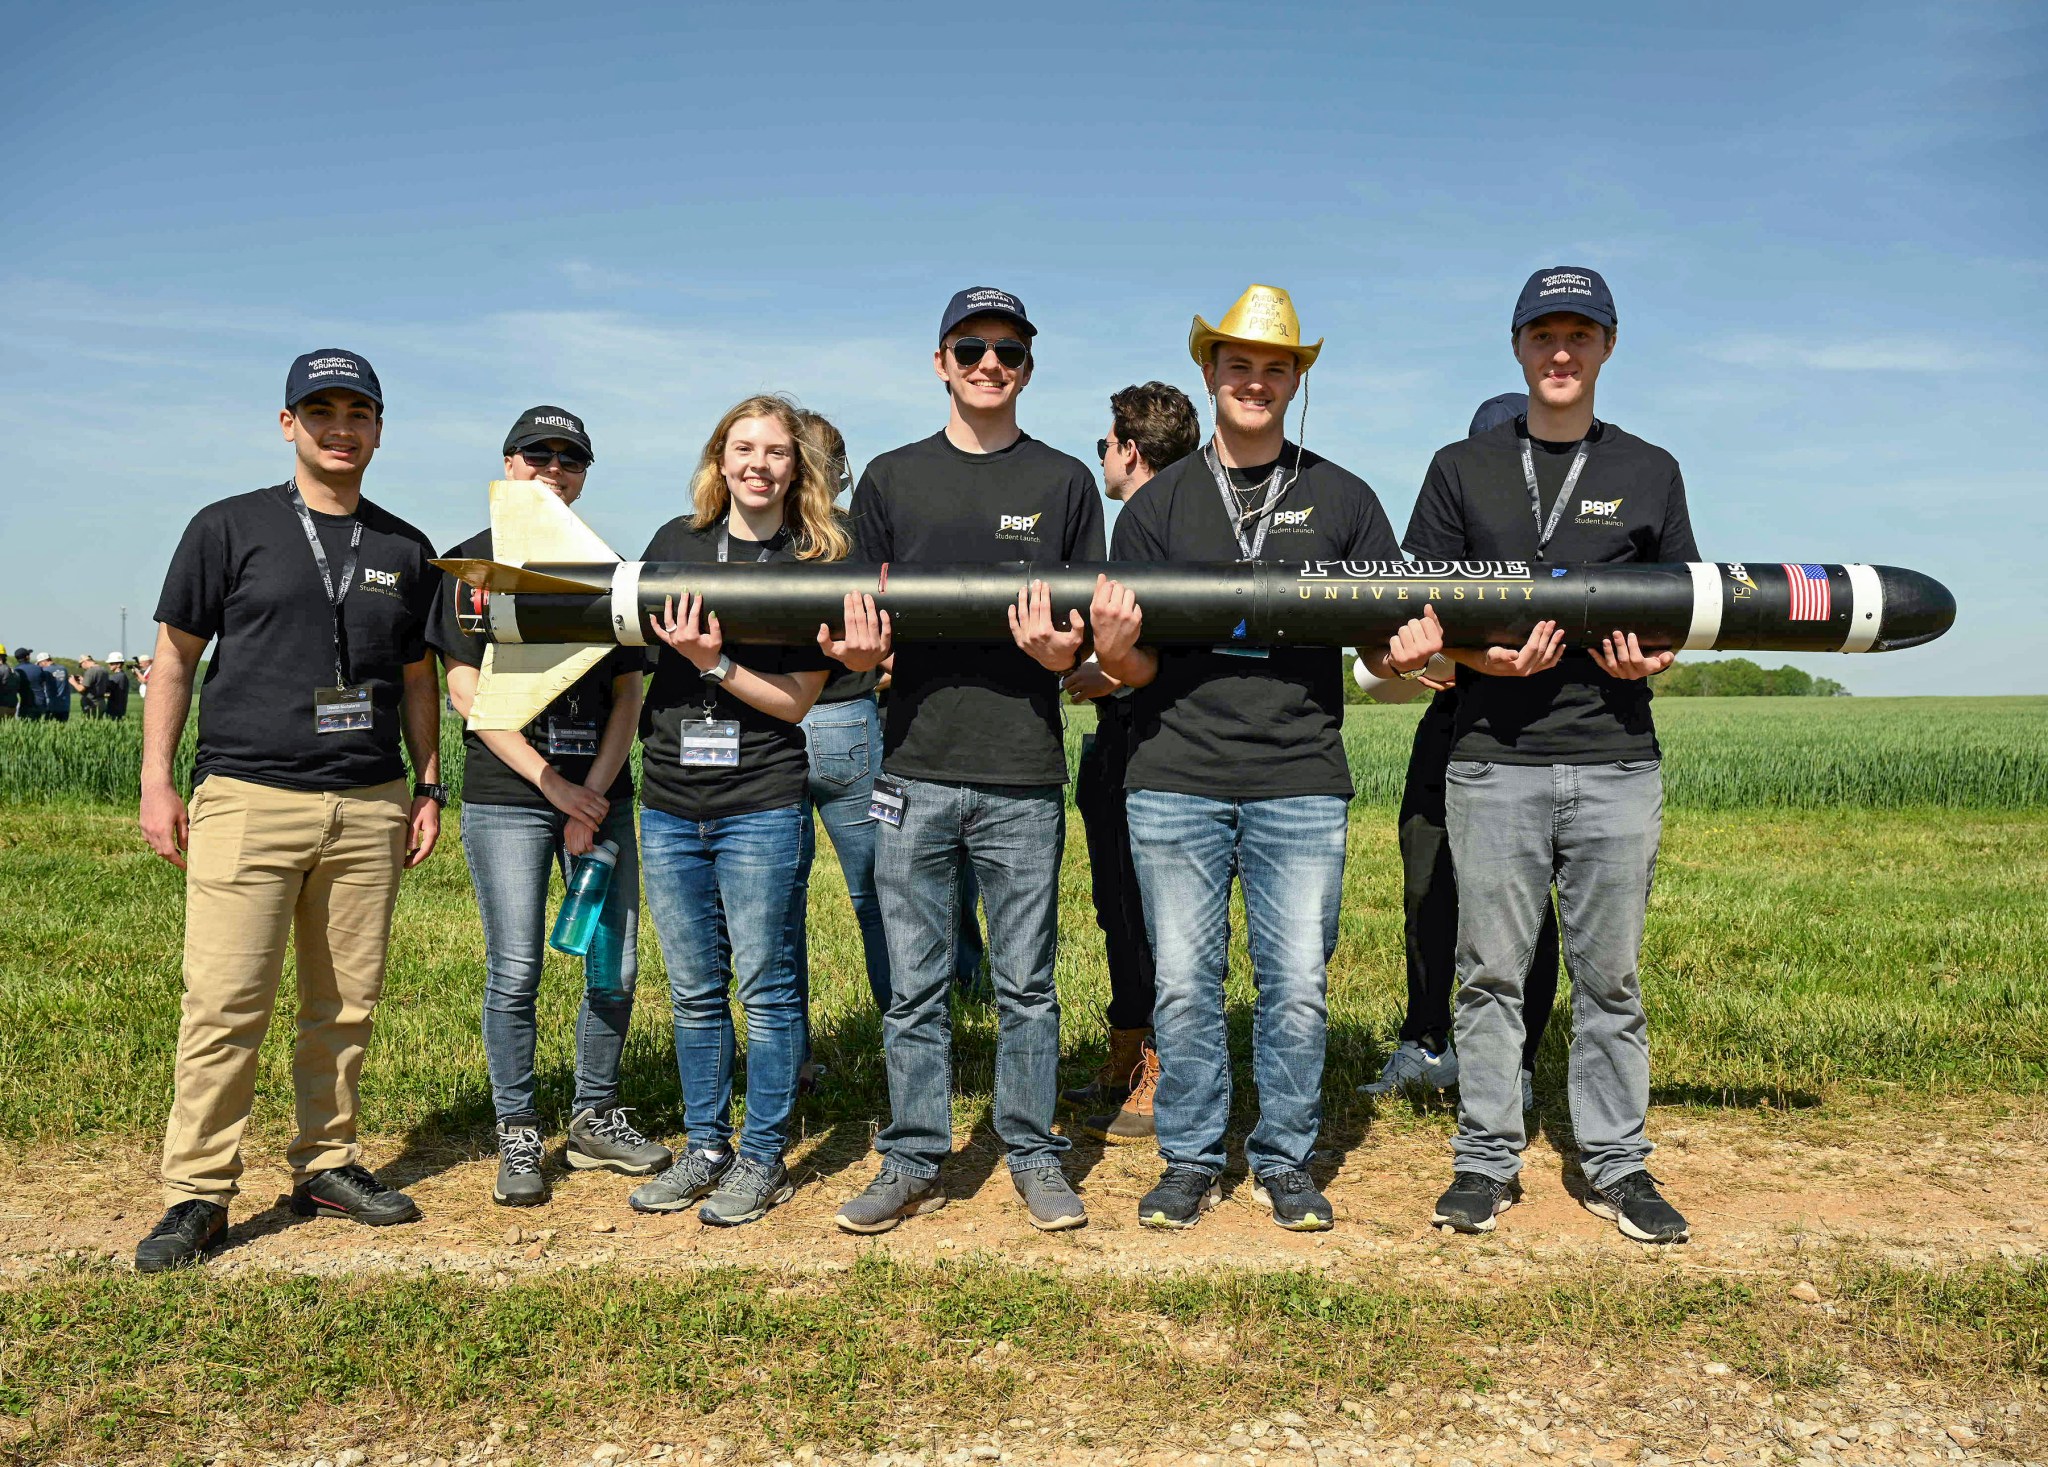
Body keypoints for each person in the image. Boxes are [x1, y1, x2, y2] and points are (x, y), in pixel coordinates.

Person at [1088, 285, 1440, 1233]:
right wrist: (1114, 648)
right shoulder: (1156, 505)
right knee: (1185, 984)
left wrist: (1408, 660)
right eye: (1237, 364)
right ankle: (1191, 1160)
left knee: (1296, 986)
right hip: (1174, 776)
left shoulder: (1345, 497)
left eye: (1274, 367)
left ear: (1297, 380)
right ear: (1209, 375)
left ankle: (1285, 1158)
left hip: (1299, 778)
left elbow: (1381, 649)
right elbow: (1134, 663)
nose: (1254, 380)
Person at [133, 348, 445, 1274]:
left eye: (358, 412)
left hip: (369, 802)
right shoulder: (228, 527)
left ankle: (327, 1161)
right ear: (287, 424)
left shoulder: (405, 548)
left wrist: (428, 783)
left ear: (380, 429)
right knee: (225, 1001)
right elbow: (176, 659)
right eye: (321, 412)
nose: (340, 427)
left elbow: (418, 679)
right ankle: (197, 1190)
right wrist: (158, 778)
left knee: (343, 1003)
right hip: (246, 795)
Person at [1406, 268, 1696, 1245]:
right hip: (1491, 757)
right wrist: (1474, 654)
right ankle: (1484, 1163)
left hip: (1615, 756)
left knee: (1608, 979)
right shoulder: (1460, 468)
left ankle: (1617, 1166)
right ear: (1517, 347)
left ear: (1606, 347)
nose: (1559, 353)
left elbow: (1676, 610)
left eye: (1579, 335)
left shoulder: (1650, 469)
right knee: (1488, 973)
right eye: (1542, 335)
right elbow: (1424, 610)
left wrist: (1649, 652)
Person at [834, 287, 1104, 1235]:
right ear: (940, 361)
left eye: (1009, 350)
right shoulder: (890, 478)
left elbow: (1086, 641)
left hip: (1023, 774)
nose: (991, 363)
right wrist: (861, 656)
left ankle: (1032, 1150)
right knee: (915, 981)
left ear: (1028, 366)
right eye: (972, 347)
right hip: (911, 768)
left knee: (1028, 982)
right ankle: (912, 1155)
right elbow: (856, 623)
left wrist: (1062, 655)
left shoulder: (1068, 481)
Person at [429, 406, 670, 1208]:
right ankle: (520, 1130)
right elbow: (466, 691)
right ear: (509, 466)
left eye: (570, 460)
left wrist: (594, 791)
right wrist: (553, 786)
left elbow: (629, 694)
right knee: (518, 966)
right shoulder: (471, 565)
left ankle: (596, 1112)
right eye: (539, 457)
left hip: (599, 795)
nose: (554, 471)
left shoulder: (608, 568)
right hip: (510, 797)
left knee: (614, 961)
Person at [626, 394, 848, 1228]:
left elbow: (794, 704)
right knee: (692, 990)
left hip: (760, 798)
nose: (758, 463)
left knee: (768, 987)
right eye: (742, 447)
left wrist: (713, 663)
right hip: (672, 802)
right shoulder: (674, 545)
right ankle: (704, 1146)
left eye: (776, 451)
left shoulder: (818, 561)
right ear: (720, 459)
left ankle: (762, 1157)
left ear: (799, 468)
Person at [1360, 392, 1561, 1110]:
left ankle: (1520, 1062)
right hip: (1447, 729)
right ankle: (1425, 1042)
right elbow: (1376, 666)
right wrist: (1429, 661)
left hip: (1533, 733)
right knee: (1426, 886)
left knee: (1524, 904)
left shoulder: (1555, 558)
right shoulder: (1443, 558)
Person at [1057, 382, 1201, 1145]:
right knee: (1115, 899)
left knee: (1151, 912)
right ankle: (1126, 1045)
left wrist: (1108, 672)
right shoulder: (1141, 529)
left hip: (1156, 738)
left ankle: (1161, 1064)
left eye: (1103, 446)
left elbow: (1180, 640)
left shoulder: (1175, 526)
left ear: (1129, 450)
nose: (1102, 459)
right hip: (1117, 736)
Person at [37, 652, 71, 721]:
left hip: (51, 704)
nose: (40, 665)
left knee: (49, 727)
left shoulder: (45, 670)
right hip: (64, 704)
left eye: (39, 663)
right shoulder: (63, 669)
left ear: (44, 661)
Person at [72, 653, 108, 718]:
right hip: (101, 702)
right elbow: (96, 683)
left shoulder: (90, 671)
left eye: (81, 665)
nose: (82, 667)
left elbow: (81, 689)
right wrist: (84, 680)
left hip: (92, 704)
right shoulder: (103, 670)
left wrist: (73, 682)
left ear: (85, 662)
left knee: (90, 724)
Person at [104, 654, 132, 721]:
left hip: (114, 708)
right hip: (120, 708)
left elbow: (106, 689)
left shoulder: (117, 677)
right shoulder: (123, 676)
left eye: (111, 664)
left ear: (118, 665)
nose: (109, 665)